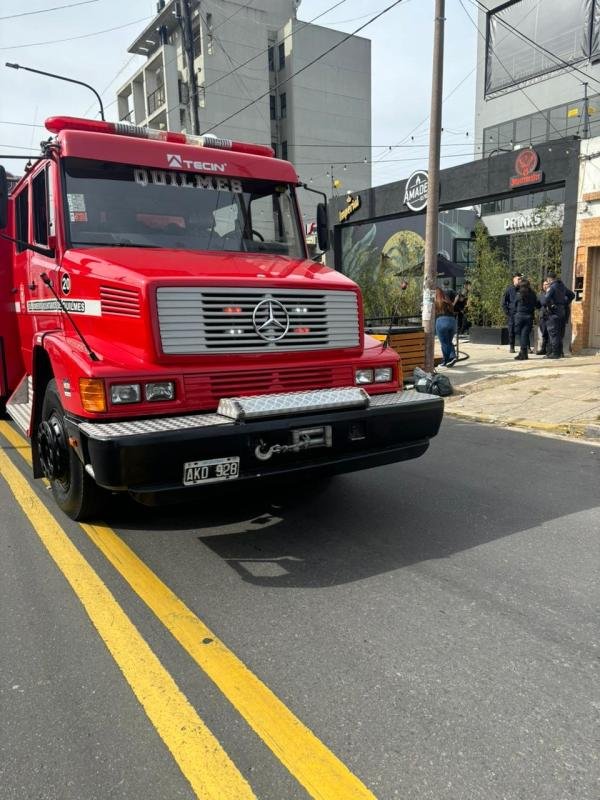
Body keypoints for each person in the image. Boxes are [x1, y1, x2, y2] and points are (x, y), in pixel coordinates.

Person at [540, 271, 576, 359]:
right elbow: (572, 295)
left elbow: (545, 300)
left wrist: (548, 304)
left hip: (554, 313)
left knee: (553, 334)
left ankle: (555, 353)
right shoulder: (562, 286)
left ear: (549, 279)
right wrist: (564, 303)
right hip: (562, 312)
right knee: (559, 334)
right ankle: (560, 352)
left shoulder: (552, 287)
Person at [513, 278, 540, 360]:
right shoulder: (533, 294)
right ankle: (524, 353)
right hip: (529, 317)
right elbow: (537, 305)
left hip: (519, 316)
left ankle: (523, 352)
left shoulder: (518, 295)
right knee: (524, 334)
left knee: (520, 335)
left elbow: (514, 305)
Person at [435, 287, 457, 367]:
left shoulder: (436, 301)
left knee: (444, 343)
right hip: (452, 322)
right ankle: (450, 358)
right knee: (448, 342)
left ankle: (448, 359)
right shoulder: (448, 301)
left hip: (442, 321)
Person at [502, 273, 523, 353]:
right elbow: (503, 302)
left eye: (521, 279)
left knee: (522, 331)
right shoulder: (509, 289)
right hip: (512, 314)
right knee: (511, 331)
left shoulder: (522, 289)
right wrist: (507, 312)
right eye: (518, 279)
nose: (520, 280)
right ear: (514, 279)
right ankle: (512, 347)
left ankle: (525, 347)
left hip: (521, 314)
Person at [536, 278, 550, 355]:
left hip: (550, 316)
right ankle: (543, 349)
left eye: (546, 284)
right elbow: (537, 305)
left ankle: (548, 349)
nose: (545, 286)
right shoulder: (540, 294)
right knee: (544, 333)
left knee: (549, 333)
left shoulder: (551, 293)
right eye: (544, 285)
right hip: (542, 316)